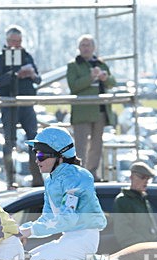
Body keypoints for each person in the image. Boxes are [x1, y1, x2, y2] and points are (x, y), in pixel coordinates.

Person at [19, 127, 107, 260]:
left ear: (59, 156)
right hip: (69, 237)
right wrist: (19, 230)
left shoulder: (77, 176)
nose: (36, 160)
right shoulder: (50, 180)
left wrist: (30, 231)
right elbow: (48, 219)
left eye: (41, 155)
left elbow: (68, 218)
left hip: (84, 240)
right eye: (35, 153)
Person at [0, 25, 43, 187]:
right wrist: (14, 74)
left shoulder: (27, 56)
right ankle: (10, 179)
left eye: (19, 41)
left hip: (26, 103)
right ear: (7, 41)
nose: (16, 44)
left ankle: (37, 177)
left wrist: (31, 74)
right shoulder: (0, 58)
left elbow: (38, 80)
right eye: (13, 41)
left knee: (33, 139)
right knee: (9, 141)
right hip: (9, 104)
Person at [67, 34, 116, 179]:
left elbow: (112, 82)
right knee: (81, 145)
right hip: (82, 112)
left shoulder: (101, 64)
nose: (86, 48)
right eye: (83, 45)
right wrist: (90, 77)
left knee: (97, 145)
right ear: (78, 48)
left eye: (88, 45)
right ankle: (79, 174)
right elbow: (73, 86)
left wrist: (105, 78)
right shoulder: (73, 65)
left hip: (100, 111)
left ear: (94, 48)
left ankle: (93, 173)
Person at [112, 161, 157, 249]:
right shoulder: (123, 200)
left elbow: (148, 230)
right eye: (142, 177)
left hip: (149, 250)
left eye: (148, 178)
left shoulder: (143, 199)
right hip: (135, 253)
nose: (145, 181)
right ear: (131, 177)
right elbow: (124, 233)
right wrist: (146, 247)